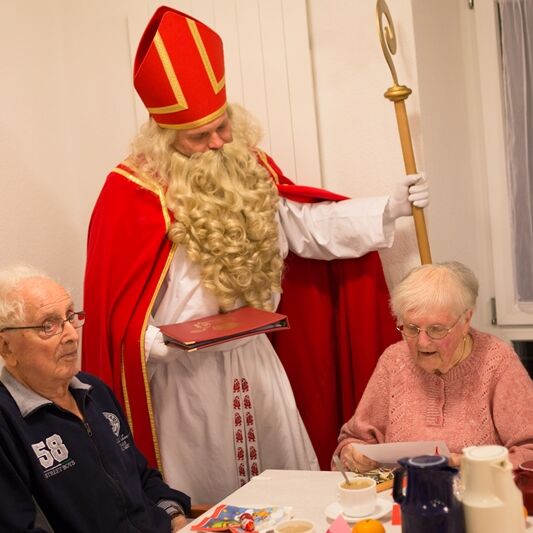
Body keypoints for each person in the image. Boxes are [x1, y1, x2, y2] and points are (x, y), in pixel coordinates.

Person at [82, 6, 429, 503]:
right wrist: (153, 342)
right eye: (200, 137)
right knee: (206, 496)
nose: (219, 143)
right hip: (184, 382)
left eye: (222, 127)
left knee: (287, 489)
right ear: (165, 138)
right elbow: (114, 313)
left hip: (255, 359)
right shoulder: (130, 192)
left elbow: (304, 225)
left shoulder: (249, 167)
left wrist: (386, 208)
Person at [0, 265, 190, 532]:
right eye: (48, 325)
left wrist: (175, 517)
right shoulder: (7, 423)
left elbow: (143, 476)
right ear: (6, 347)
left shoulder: (94, 390)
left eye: (70, 317)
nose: (71, 335)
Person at [335, 261, 533, 472]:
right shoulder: (394, 360)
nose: (422, 342)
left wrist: (465, 464)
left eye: (436, 329)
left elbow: (529, 452)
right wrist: (352, 453)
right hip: (401, 497)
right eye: (411, 328)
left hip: (475, 496)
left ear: (466, 319)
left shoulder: (497, 362)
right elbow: (354, 438)